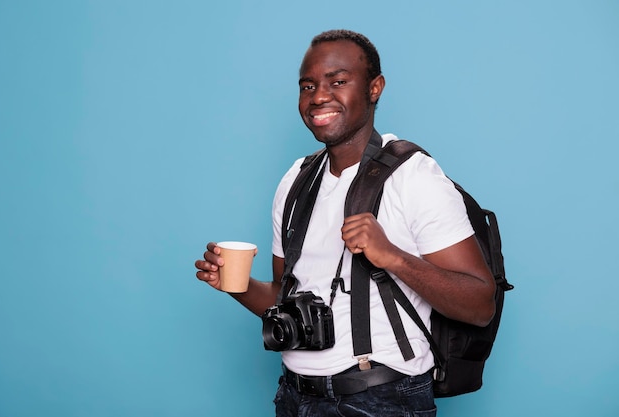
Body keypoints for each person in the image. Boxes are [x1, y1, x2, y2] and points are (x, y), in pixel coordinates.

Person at [195, 29, 496, 417]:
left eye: (338, 82)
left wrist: (393, 256)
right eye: (308, 85)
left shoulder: (414, 177)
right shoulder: (296, 180)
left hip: (383, 400)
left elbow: (479, 303)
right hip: (294, 397)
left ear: (375, 88)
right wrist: (235, 286)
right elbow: (284, 298)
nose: (319, 96)